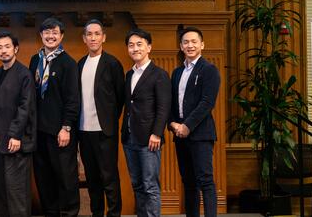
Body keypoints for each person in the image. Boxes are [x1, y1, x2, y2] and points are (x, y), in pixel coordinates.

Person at [28, 17, 79, 217]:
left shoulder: (68, 63)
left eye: (54, 33)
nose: (50, 36)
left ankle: (69, 213)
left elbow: (73, 100)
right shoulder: (35, 60)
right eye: (47, 33)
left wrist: (66, 127)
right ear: (41, 35)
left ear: (61, 36)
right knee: (43, 177)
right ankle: (50, 212)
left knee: (65, 177)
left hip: (60, 132)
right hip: (38, 131)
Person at [169, 27, 220, 217]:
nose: (190, 45)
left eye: (194, 41)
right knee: (188, 182)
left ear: (202, 45)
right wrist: (174, 124)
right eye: (186, 42)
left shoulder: (209, 69)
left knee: (205, 181)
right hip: (180, 135)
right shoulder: (176, 72)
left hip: (200, 134)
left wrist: (187, 126)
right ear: (181, 46)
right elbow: (172, 103)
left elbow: (207, 103)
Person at [78, 19, 126, 217]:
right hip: (84, 131)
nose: (93, 37)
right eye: (89, 34)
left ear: (103, 37)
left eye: (97, 33)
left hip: (105, 131)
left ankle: (114, 214)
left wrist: (110, 121)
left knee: (109, 178)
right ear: (84, 38)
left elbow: (120, 96)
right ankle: (96, 213)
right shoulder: (80, 63)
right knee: (92, 179)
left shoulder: (112, 63)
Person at [121, 28, 171, 217]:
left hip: (150, 138)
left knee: (150, 185)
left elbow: (163, 107)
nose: (135, 49)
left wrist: (157, 133)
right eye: (131, 45)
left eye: (139, 44)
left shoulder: (159, 74)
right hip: (129, 138)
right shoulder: (129, 75)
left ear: (149, 47)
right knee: (137, 184)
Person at [0, 31, 36, 217]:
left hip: (15, 143)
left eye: (7, 46)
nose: (3, 51)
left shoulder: (24, 74)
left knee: (17, 194)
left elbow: (26, 107)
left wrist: (15, 135)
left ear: (15, 48)